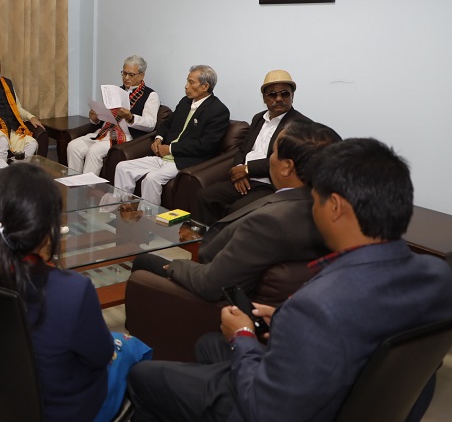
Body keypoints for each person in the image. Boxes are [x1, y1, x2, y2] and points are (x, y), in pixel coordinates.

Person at [127, 138, 452, 422]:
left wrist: (242, 335)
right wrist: (283, 317)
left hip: (269, 409)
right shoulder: (438, 277)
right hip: (353, 398)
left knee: (144, 376)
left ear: (335, 207)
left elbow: (263, 411)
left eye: (317, 198)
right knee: (208, 343)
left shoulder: (318, 306)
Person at [0, 164, 113, 421]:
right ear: (49, 226)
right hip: (58, 411)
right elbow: (100, 357)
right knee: (132, 352)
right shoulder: (74, 292)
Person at [132, 120, 340, 301]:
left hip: (218, 303)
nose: (270, 160)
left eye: (273, 153)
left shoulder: (270, 222)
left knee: (144, 260)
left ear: (286, 167)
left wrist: (178, 267)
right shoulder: (334, 210)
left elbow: (211, 285)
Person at [193, 70, 309, 227]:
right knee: (204, 196)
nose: (279, 99)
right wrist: (239, 170)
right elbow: (242, 149)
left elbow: (284, 161)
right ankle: (202, 242)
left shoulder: (299, 125)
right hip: (245, 179)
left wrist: (248, 169)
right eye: (272, 94)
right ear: (264, 98)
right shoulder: (258, 118)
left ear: (292, 95)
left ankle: (225, 248)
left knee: (236, 210)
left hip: (270, 184)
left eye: (285, 94)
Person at [113, 65, 229, 204]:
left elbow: (205, 145)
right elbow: (168, 123)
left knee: (151, 179)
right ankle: (122, 208)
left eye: (191, 82)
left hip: (184, 161)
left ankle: (149, 221)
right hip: (163, 157)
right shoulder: (185, 102)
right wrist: (158, 138)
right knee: (122, 167)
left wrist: (170, 149)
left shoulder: (218, 111)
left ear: (205, 86)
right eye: (187, 81)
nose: (186, 86)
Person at [67, 55, 160, 175]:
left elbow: (150, 124)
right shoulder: (115, 91)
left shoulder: (150, 95)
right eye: (124, 73)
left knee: (94, 151)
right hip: (104, 132)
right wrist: (95, 118)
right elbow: (105, 117)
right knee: (73, 146)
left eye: (131, 75)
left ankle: (86, 189)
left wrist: (130, 117)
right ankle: (73, 183)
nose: (126, 78)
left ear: (142, 75)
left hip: (125, 136)